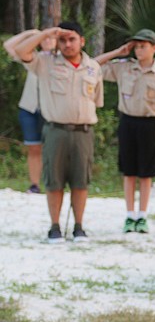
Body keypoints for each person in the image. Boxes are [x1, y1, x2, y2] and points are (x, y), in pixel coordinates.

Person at [13, 23, 103, 243]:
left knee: (81, 181)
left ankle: (79, 227)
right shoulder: (45, 62)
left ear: (82, 41)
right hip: (56, 130)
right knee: (54, 180)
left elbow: (96, 100)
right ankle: (54, 226)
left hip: (83, 131)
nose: (67, 44)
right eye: (63, 40)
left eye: (72, 39)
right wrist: (45, 34)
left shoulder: (93, 67)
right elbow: (20, 51)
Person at [94, 29, 155, 234]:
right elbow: (93, 67)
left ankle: (142, 216)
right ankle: (129, 215)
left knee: (146, 174)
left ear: (154, 48)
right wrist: (117, 52)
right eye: (136, 46)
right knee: (129, 172)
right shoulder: (124, 68)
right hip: (128, 122)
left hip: (150, 124)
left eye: (143, 46)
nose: (139, 50)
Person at [3, 29, 56, 194]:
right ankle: (34, 184)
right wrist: (31, 33)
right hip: (30, 108)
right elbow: (8, 45)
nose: (47, 41)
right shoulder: (32, 57)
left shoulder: (61, 60)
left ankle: (53, 183)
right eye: (44, 39)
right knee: (34, 147)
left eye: (50, 38)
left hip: (51, 109)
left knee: (53, 147)